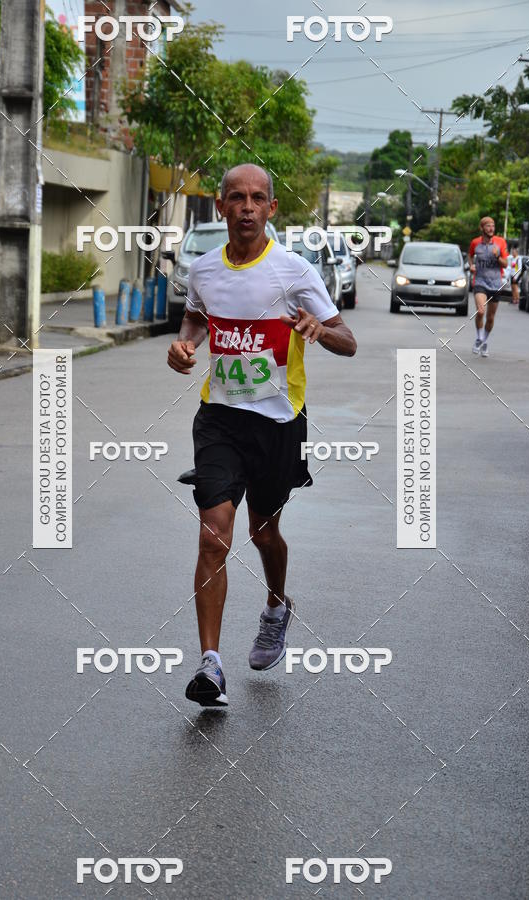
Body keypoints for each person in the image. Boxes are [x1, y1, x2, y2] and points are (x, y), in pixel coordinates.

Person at [167, 163, 357, 707]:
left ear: (272, 209)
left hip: (278, 423)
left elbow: (349, 340)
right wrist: (185, 346)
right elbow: (196, 320)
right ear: (221, 207)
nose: (247, 207)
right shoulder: (204, 270)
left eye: (257, 199)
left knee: (263, 533)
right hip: (220, 418)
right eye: (236, 198)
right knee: (213, 535)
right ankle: (211, 665)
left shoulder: (294, 272)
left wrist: (319, 331)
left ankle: (276, 606)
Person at [468, 217, 508, 357]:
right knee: (480, 312)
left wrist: (497, 257)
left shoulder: (500, 242)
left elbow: (505, 264)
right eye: (488, 226)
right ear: (482, 228)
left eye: (493, 225)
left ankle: (484, 341)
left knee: (490, 317)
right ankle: (479, 337)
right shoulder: (475, 243)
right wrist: (471, 265)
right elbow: (470, 255)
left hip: (495, 283)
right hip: (480, 281)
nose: (491, 228)